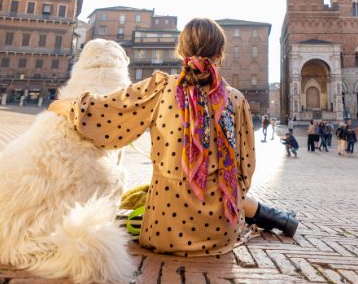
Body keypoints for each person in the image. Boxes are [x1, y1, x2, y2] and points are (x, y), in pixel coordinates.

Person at [47, 17, 297, 254]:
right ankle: (277, 218)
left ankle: (276, 217)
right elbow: (245, 169)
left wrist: (58, 105)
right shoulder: (237, 100)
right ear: (220, 54)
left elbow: (104, 113)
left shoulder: (159, 88)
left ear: (181, 52)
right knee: (222, 188)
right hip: (220, 234)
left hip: (164, 234)